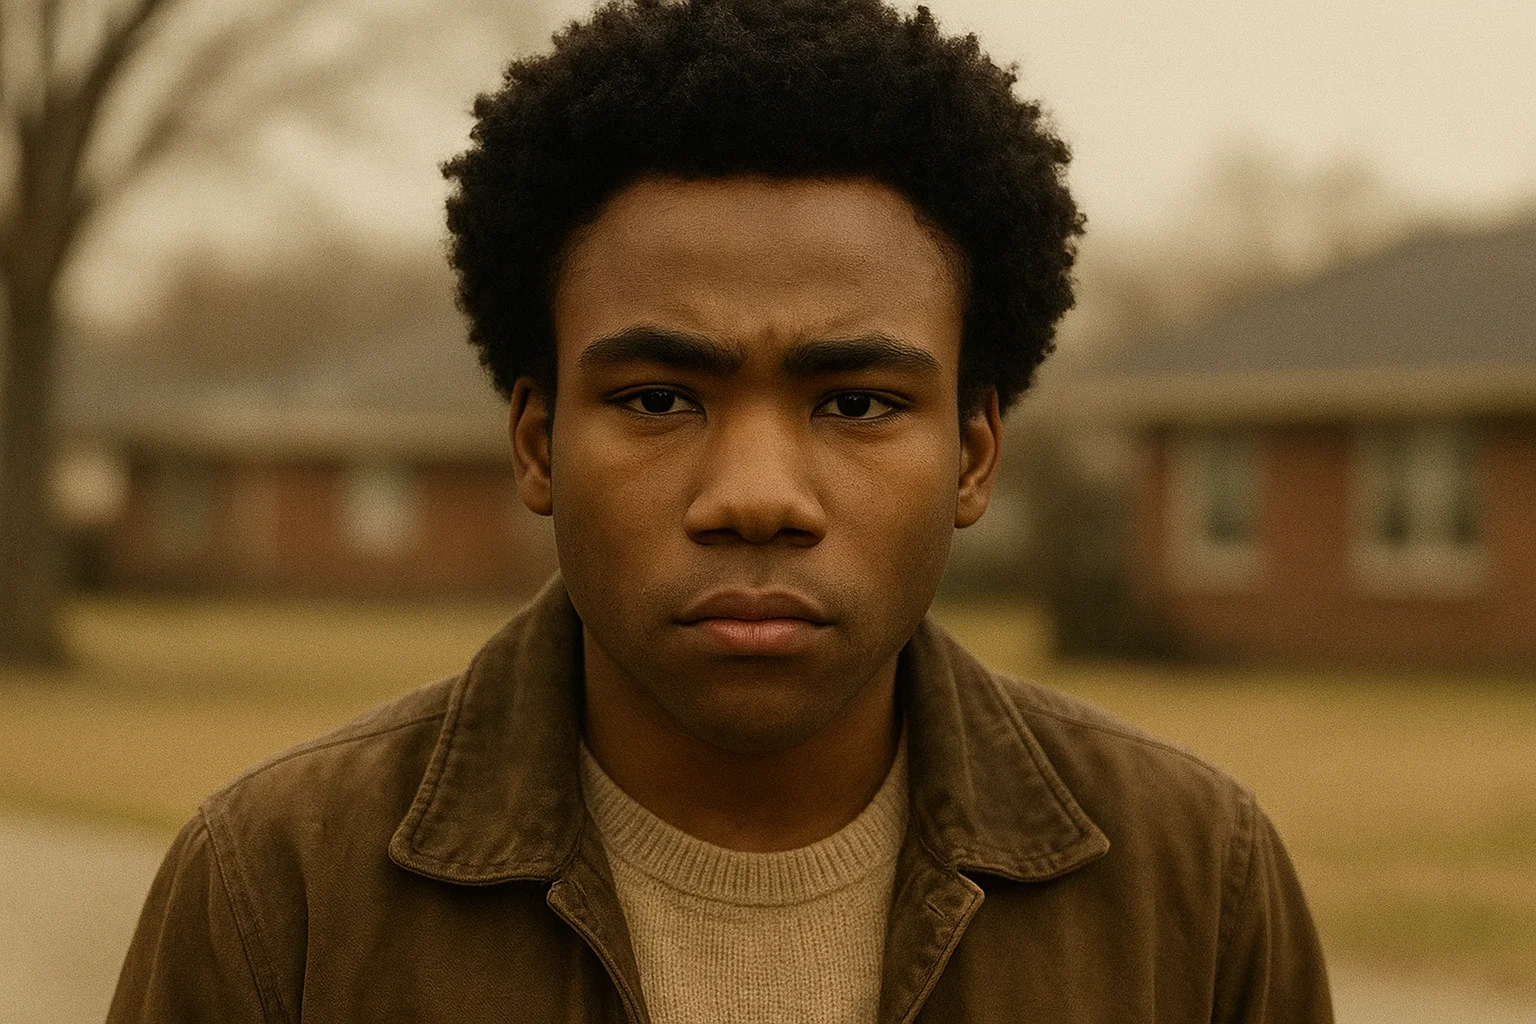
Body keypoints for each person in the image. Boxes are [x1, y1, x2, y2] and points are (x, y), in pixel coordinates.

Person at [108, 1, 1333, 1021]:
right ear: (537, 444)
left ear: (973, 455)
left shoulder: (1194, 885)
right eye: (658, 397)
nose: (756, 497)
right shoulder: (280, 891)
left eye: (855, 403)